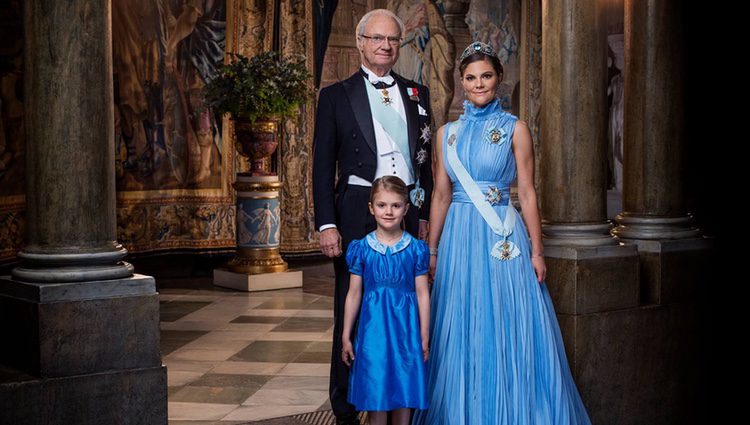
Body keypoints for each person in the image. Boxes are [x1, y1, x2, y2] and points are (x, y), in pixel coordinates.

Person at [412, 42, 592, 424]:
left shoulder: (516, 128)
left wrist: (538, 251)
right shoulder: (447, 133)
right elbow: (442, 194)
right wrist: (431, 250)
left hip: (501, 237)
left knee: (507, 321)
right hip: (459, 237)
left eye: (487, 76)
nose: (479, 85)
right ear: (461, 83)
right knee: (460, 322)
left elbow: (526, 192)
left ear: (499, 79)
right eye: (471, 78)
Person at [312, 9, 434, 425]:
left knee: (402, 311)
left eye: (393, 40)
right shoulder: (335, 95)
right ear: (361, 42)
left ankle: (397, 398)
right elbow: (321, 164)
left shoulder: (418, 93)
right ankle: (346, 408)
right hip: (355, 215)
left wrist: (423, 215)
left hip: (406, 211)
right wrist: (326, 223)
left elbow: (425, 163)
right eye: (377, 38)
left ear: (399, 45)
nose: (385, 46)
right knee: (352, 306)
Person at [341, 176, 430, 425]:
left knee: (404, 388)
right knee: (375, 389)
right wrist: (346, 334)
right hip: (373, 333)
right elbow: (354, 293)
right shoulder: (362, 248)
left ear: (406, 208)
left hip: (406, 331)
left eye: (395, 205)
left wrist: (424, 334)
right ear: (371, 208)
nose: (388, 211)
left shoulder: (415, 249)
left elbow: (423, 292)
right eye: (381, 205)